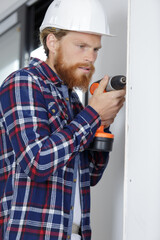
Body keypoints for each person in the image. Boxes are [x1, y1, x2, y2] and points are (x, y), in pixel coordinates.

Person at [0, 0, 125, 239]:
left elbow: (91, 174)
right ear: (52, 42)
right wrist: (93, 114)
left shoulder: (73, 101)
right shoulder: (23, 83)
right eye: (81, 46)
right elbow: (37, 163)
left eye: (96, 49)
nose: (91, 57)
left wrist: (102, 125)